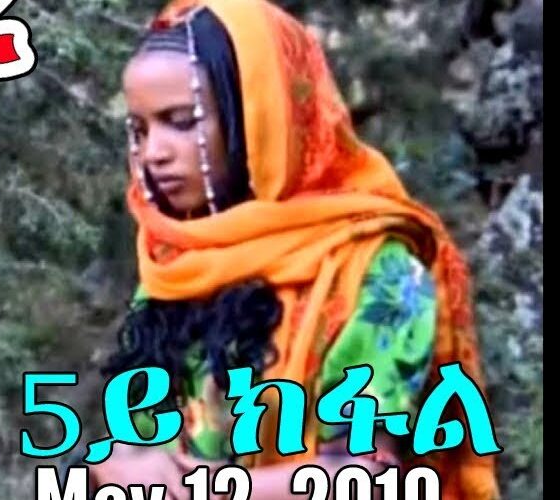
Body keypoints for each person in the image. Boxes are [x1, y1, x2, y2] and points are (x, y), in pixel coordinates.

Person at [90, 0, 499, 498]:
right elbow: (136, 441)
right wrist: (116, 466)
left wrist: (199, 489)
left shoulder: (375, 266)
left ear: (257, 116)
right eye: (139, 130)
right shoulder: (178, 264)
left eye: (181, 120)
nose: (154, 152)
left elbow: (364, 475)